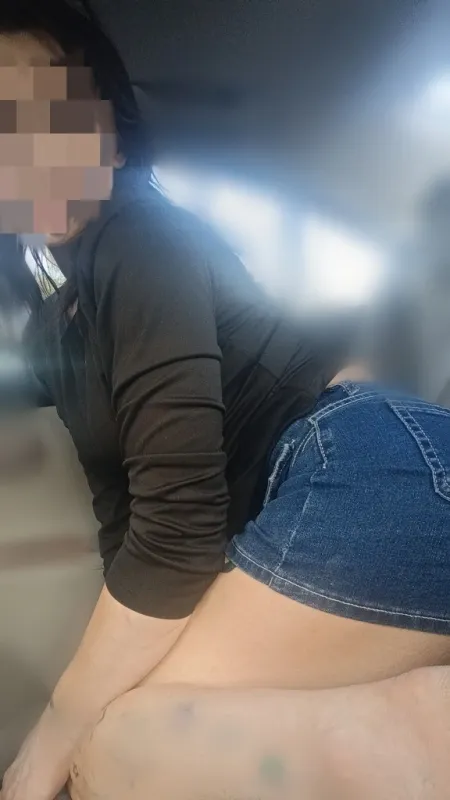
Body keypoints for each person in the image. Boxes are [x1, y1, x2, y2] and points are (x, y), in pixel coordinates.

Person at [0, 2, 449, 799]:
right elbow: (128, 518)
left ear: (108, 132)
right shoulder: (57, 320)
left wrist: (46, 745)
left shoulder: (139, 235)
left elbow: (178, 531)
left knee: (118, 755)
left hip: (367, 468)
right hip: (342, 496)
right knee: (119, 741)